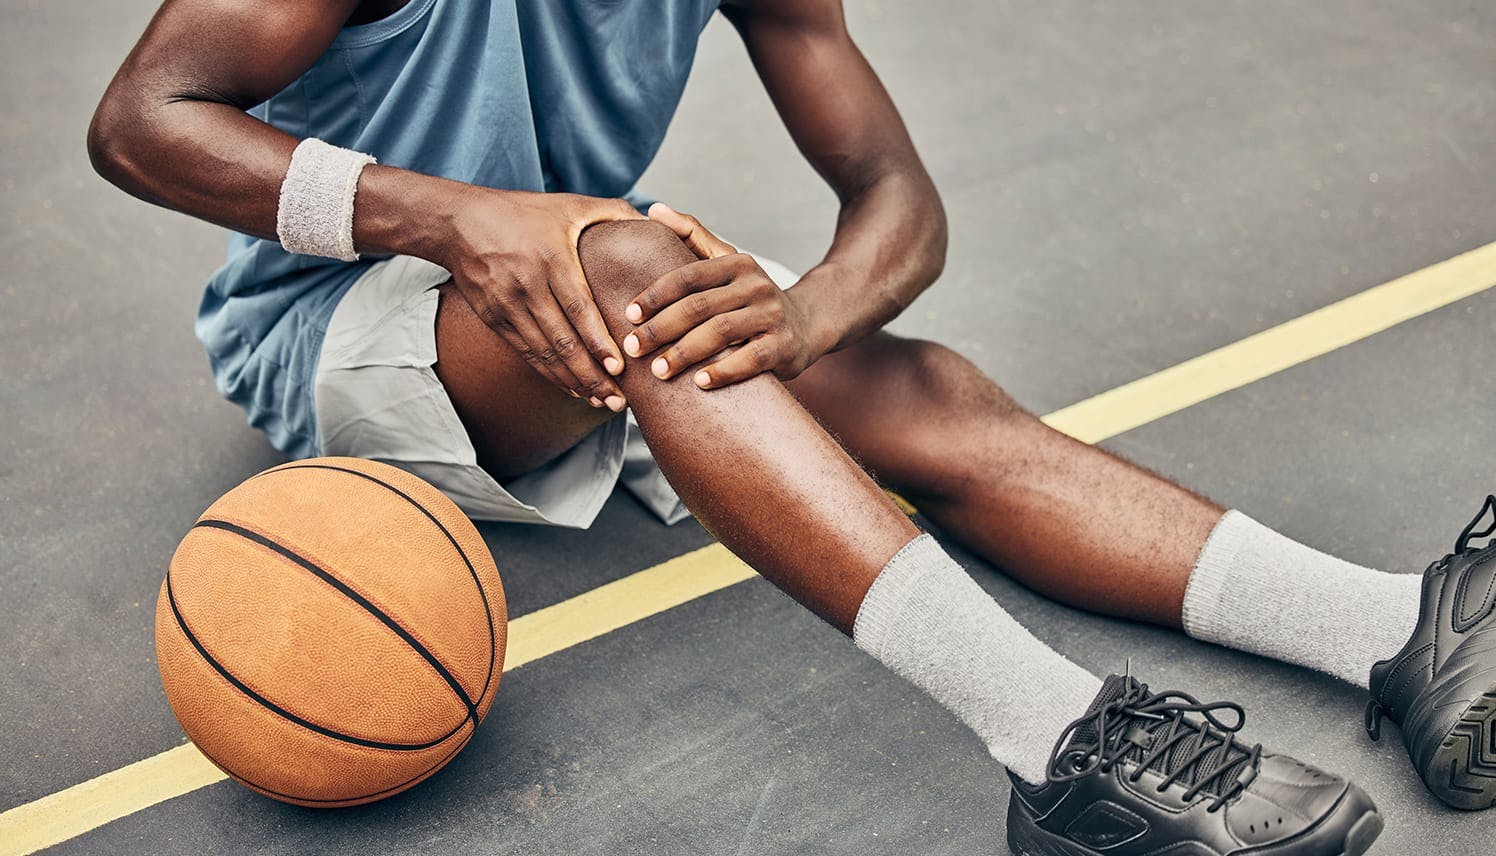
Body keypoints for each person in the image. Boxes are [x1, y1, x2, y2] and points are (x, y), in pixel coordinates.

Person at [88, 1, 1495, 852]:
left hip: (583, 281)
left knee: (910, 387)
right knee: (642, 272)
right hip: (342, 324)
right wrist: (455, 220)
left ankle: (1390, 625)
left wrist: (815, 316)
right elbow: (143, 122)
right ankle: (1054, 741)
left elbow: (895, 193)